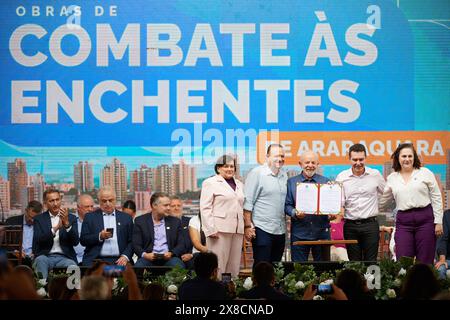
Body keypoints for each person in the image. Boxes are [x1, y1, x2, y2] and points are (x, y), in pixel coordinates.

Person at [379, 143, 443, 265]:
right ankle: (406, 284)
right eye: (404, 156)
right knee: (403, 261)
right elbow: (383, 201)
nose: (407, 159)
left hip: (425, 219)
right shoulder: (392, 177)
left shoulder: (425, 172)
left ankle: (424, 284)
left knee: (425, 261)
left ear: (414, 158)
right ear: (398, 158)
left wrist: (438, 221)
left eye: (410, 156)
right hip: (403, 221)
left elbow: (436, 196)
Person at [336, 143, 386, 261]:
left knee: (371, 262)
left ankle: (370, 280)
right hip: (350, 226)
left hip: (371, 225)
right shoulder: (341, 177)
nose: (358, 162)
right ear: (349, 159)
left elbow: (387, 193)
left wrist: (380, 205)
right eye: (355, 159)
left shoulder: (375, 175)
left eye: (361, 159)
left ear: (366, 158)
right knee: (354, 263)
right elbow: (339, 202)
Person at [284, 150, 334, 262]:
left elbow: (331, 205)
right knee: (298, 270)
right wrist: (294, 213)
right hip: (299, 234)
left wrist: (332, 214)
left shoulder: (326, 182)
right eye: (307, 162)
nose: (310, 165)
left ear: (317, 164)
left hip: (321, 234)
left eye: (313, 162)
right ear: (300, 164)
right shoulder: (291, 182)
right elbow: (287, 205)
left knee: (323, 270)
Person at [200, 155, 245, 278]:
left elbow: (242, 206)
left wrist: (247, 226)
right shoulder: (210, 182)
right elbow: (205, 207)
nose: (230, 169)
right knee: (218, 265)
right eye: (226, 166)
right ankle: (216, 291)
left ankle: (230, 291)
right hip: (218, 230)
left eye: (232, 166)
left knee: (234, 265)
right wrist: (210, 229)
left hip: (237, 230)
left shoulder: (240, 184)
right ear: (218, 168)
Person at [244, 144, 288, 266]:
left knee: (276, 267)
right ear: (267, 157)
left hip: (280, 229)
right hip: (262, 229)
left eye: (282, 156)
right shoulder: (257, 173)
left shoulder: (284, 175)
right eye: (276, 155)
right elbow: (248, 202)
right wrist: (248, 226)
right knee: (261, 266)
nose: (280, 159)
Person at [80, 186, 134, 266]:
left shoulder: (126, 218)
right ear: (99, 201)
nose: (107, 204)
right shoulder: (90, 217)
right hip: (97, 260)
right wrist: (99, 236)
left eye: (110, 200)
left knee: (128, 274)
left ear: (115, 200)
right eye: (104, 201)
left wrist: (125, 256)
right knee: (95, 276)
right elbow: (83, 240)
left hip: (120, 259)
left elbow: (132, 241)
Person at [32, 189, 79, 280]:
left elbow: (75, 242)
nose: (55, 203)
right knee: (40, 260)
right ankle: (42, 292)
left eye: (57, 200)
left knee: (72, 266)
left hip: (64, 258)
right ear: (45, 203)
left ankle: (72, 293)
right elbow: (39, 240)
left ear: (61, 200)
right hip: (46, 257)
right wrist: (56, 228)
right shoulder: (39, 219)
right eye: (51, 201)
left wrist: (66, 224)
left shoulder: (71, 218)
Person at [133, 192, 185, 268]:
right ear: (154, 206)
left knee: (178, 266)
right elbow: (136, 245)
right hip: (148, 258)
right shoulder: (140, 221)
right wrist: (145, 255)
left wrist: (171, 253)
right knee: (138, 267)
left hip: (169, 258)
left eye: (169, 205)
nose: (168, 208)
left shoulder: (175, 222)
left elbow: (181, 244)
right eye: (165, 205)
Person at [5, 200, 42, 264]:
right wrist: (14, 251)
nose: (31, 220)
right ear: (26, 210)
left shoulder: (41, 224)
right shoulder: (12, 222)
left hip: (34, 259)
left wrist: (36, 254)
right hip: (15, 258)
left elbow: (44, 244)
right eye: (30, 217)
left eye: (34, 218)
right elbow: (5, 242)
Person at [170, 196, 194, 269]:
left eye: (178, 205)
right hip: (174, 257)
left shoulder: (191, 221)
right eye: (173, 206)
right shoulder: (165, 223)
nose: (176, 208)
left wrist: (191, 254)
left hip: (190, 255)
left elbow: (198, 240)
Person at [73, 194, 95, 265]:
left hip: (93, 261)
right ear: (78, 207)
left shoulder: (97, 222)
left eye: (92, 206)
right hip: (73, 261)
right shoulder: (71, 221)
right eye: (87, 207)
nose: (90, 209)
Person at [435, 209, 450, 279]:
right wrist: (442, 260)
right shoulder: (447, 215)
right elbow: (443, 239)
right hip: (449, 259)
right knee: (440, 269)